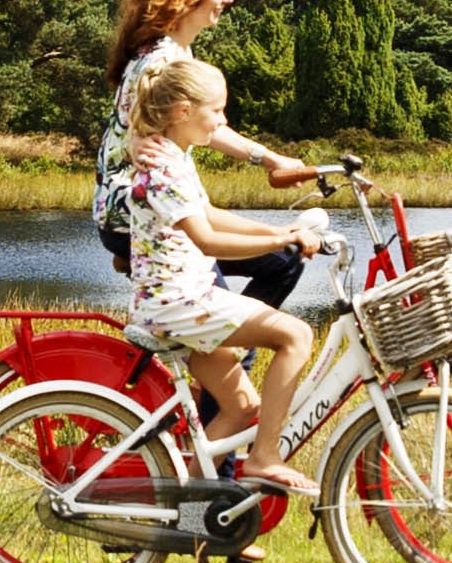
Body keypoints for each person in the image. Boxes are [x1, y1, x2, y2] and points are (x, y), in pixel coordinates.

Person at [110, 54, 330, 491]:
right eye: (217, 110)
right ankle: (264, 457)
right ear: (183, 111)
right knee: (297, 335)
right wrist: (278, 242)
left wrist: (280, 231)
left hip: (176, 301)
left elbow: (209, 213)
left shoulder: (176, 156)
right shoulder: (165, 168)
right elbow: (208, 240)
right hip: (180, 302)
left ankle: (192, 511)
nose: (223, 120)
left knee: (242, 407)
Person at [90, 0, 315, 287]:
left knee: (284, 260)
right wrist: (270, 159)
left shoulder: (175, 52)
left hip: (165, 211)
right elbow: (181, 133)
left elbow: (205, 127)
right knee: (215, 312)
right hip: (142, 217)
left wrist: (271, 160)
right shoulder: (160, 60)